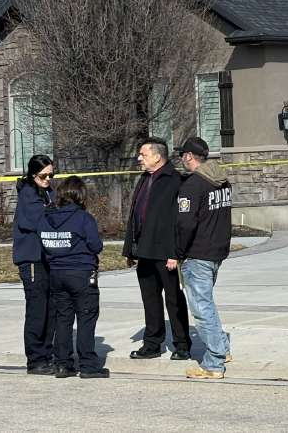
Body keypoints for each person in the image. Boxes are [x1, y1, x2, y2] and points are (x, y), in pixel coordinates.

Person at [122, 137, 193, 360]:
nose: (139, 158)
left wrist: (175, 253)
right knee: (150, 300)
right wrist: (130, 250)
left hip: (166, 253)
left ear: (157, 156)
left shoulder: (174, 180)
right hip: (144, 251)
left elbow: (179, 220)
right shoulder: (144, 179)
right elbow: (136, 215)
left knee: (174, 299)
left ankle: (182, 345)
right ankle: (152, 344)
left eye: (143, 154)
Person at [173, 137, 233, 380]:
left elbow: (184, 224)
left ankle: (213, 364)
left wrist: (178, 252)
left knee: (201, 308)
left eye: (182, 156)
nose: (181, 160)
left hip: (197, 253)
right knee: (207, 303)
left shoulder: (192, 185)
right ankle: (223, 349)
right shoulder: (222, 181)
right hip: (217, 251)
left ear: (189, 156)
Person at [39, 175, 108, 378]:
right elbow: (96, 246)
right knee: (86, 317)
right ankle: (88, 365)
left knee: (63, 319)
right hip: (81, 273)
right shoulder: (83, 218)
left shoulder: (45, 217)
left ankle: (63, 364)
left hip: (56, 273)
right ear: (80, 195)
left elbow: (42, 243)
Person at [12, 154, 56, 376]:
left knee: (50, 308)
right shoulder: (29, 194)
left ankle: (47, 353)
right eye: (43, 176)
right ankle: (36, 358)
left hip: (47, 258)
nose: (47, 179)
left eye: (51, 175)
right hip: (31, 259)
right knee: (37, 309)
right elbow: (40, 222)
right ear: (32, 175)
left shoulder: (47, 191)